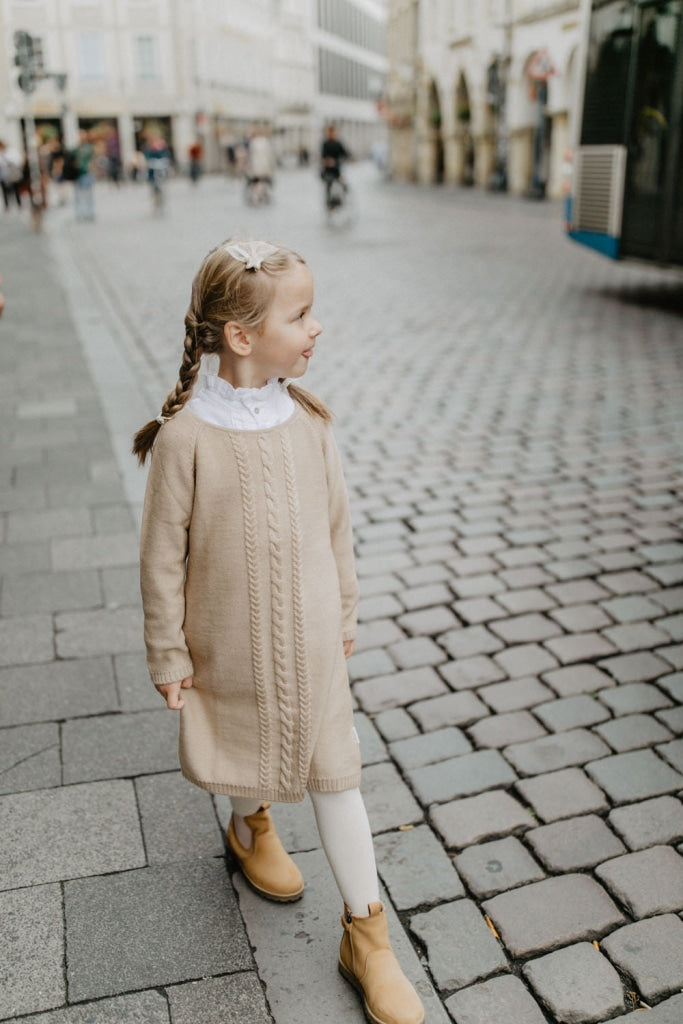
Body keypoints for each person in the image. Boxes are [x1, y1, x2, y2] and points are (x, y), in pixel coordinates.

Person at [132, 239, 424, 1024]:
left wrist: (346, 614)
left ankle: (367, 934)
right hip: (226, 646)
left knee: (339, 778)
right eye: (299, 316)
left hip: (314, 646)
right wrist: (169, 652)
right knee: (242, 743)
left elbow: (337, 530)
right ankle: (248, 821)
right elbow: (161, 558)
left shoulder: (308, 423)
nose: (315, 327)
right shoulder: (185, 441)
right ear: (242, 337)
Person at [320, 123, 349, 209]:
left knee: (343, 184)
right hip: (328, 170)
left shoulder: (338, 143)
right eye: (330, 132)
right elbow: (323, 156)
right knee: (329, 184)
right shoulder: (325, 144)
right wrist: (327, 161)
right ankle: (329, 203)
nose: (331, 134)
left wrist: (338, 161)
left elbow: (345, 153)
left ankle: (341, 200)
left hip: (337, 169)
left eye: (333, 132)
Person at [72, 129, 96, 221]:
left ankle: (89, 213)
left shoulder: (88, 148)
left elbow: (92, 160)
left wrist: (92, 169)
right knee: (78, 195)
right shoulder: (76, 148)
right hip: (78, 174)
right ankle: (80, 213)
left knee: (88, 195)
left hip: (86, 173)